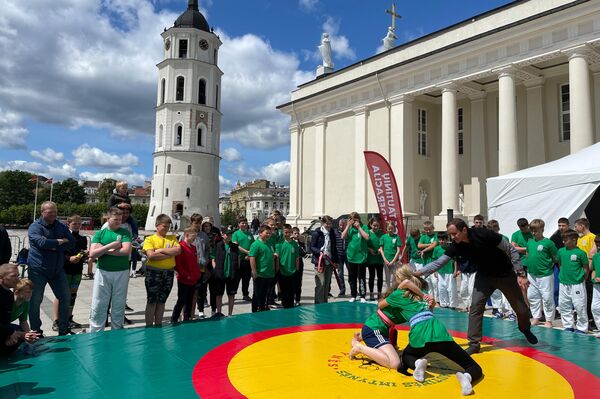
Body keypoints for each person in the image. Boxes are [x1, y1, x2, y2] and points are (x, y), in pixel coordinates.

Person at [349, 265, 482, 395]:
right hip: (381, 328)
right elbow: (385, 306)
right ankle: (359, 347)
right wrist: (426, 297)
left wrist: (429, 300)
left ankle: (416, 363)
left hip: (397, 332)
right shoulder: (409, 296)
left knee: (406, 356)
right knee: (395, 362)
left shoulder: (411, 297)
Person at [416, 218, 538, 355]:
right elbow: (439, 263)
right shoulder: (457, 245)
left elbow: (511, 249)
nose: (452, 237)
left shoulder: (484, 234)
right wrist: (418, 273)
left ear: (464, 230)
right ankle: (474, 343)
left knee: (521, 309)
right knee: (475, 307)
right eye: (450, 234)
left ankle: (525, 328)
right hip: (484, 277)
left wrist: (520, 274)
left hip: (505, 274)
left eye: (454, 233)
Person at [27, 201, 75, 336]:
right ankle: (36, 330)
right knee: (35, 301)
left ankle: (63, 329)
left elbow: (71, 242)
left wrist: (52, 245)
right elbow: (40, 242)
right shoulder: (35, 227)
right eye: (50, 212)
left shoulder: (60, 226)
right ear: (42, 212)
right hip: (38, 270)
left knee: (65, 298)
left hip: (57, 270)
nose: (53, 214)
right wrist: (59, 242)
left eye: (55, 211)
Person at [88, 207, 132, 332]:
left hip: (121, 271)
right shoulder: (100, 233)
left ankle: (117, 329)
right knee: (99, 302)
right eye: (115, 219)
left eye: (120, 219)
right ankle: (96, 330)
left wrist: (103, 250)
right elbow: (92, 254)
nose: (118, 221)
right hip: (103, 271)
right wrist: (111, 246)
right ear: (108, 219)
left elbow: (126, 251)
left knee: (119, 302)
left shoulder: (125, 233)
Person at [142, 214, 181, 327]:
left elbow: (178, 251)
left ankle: (158, 324)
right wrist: (169, 254)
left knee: (162, 300)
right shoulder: (150, 239)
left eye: (168, 227)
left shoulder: (172, 238)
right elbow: (151, 256)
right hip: (154, 272)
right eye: (164, 226)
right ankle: (149, 326)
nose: (166, 229)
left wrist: (161, 250)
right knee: (152, 301)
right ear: (157, 225)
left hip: (168, 272)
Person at [52, 214, 88, 331]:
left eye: (79, 224)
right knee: (61, 295)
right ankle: (57, 320)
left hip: (77, 270)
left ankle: (69, 318)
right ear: (68, 224)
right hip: (64, 269)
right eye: (74, 224)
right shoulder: (64, 236)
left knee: (73, 295)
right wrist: (69, 258)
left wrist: (84, 255)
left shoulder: (83, 239)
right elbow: (60, 252)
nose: (77, 226)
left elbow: (82, 252)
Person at [1, 264, 39, 356]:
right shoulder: (10, 298)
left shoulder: (10, 296)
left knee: (15, 341)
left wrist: (27, 334)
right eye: (13, 276)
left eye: (18, 275)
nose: (17, 279)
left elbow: (22, 321)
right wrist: (16, 334)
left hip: (4, 327)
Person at [525, 219, 557, 327]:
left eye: (536, 231)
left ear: (542, 230)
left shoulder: (548, 243)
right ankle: (536, 318)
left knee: (547, 297)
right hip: (532, 274)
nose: (534, 233)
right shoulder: (530, 242)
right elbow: (527, 254)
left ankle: (549, 320)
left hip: (545, 274)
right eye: (532, 231)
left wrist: (548, 266)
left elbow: (555, 258)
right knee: (533, 296)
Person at [557, 229, 589, 333]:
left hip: (577, 283)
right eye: (563, 239)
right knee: (564, 305)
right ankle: (568, 325)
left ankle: (582, 328)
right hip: (563, 283)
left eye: (566, 239)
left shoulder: (581, 253)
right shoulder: (561, 251)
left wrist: (581, 279)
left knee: (580, 306)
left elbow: (585, 268)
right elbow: (560, 264)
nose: (563, 241)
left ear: (574, 239)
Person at [171, 227, 200, 323]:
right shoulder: (181, 246)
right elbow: (178, 265)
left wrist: (197, 274)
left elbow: (195, 263)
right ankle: (174, 320)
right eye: (193, 236)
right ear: (187, 235)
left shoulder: (193, 247)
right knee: (181, 300)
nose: (194, 238)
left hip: (192, 279)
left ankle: (187, 320)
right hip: (184, 279)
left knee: (190, 301)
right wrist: (186, 275)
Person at [341, 212, 370, 303]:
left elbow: (367, 237)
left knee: (361, 277)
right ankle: (353, 294)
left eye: (355, 220)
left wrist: (359, 227)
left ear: (358, 219)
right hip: (351, 257)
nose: (354, 222)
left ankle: (362, 295)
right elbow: (343, 236)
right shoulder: (350, 228)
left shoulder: (364, 227)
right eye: (352, 220)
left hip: (361, 257)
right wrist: (348, 225)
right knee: (352, 277)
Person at [212, 228, 241, 316]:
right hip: (220, 274)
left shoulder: (235, 246)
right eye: (227, 234)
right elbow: (213, 258)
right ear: (222, 235)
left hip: (231, 274)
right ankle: (219, 312)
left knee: (231, 295)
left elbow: (238, 259)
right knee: (219, 294)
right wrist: (215, 269)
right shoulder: (218, 245)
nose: (229, 236)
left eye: (230, 235)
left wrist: (236, 271)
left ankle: (230, 313)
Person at [310, 216, 338, 304]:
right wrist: (320, 252)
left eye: (330, 223)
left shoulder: (332, 232)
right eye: (327, 224)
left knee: (326, 284)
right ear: (323, 223)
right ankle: (318, 303)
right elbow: (312, 247)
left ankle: (324, 302)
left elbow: (334, 247)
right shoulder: (317, 233)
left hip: (329, 261)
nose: (329, 225)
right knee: (320, 284)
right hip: (320, 261)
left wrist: (336, 261)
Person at [249, 225, 276, 312]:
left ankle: (263, 309)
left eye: (269, 233)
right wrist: (254, 271)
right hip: (260, 274)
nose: (268, 235)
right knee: (257, 294)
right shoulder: (256, 244)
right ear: (260, 233)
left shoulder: (269, 243)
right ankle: (256, 311)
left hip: (269, 273)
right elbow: (252, 257)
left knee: (266, 294)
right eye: (266, 233)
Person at [189, 214, 210, 318]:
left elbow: (207, 250)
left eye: (199, 223)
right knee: (189, 291)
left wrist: (205, 260)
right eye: (196, 223)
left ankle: (200, 310)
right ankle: (188, 311)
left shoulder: (203, 235)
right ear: (191, 222)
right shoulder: (186, 234)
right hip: (190, 267)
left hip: (201, 266)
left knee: (201, 290)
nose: (198, 225)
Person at [275, 224, 299, 309]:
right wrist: (277, 269)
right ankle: (285, 305)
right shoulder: (279, 244)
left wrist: (297, 269)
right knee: (284, 290)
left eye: (289, 232)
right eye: (285, 232)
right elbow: (278, 258)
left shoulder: (294, 244)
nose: (287, 234)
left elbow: (297, 257)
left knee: (291, 291)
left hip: (292, 270)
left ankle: (291, 305)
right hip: (282, 270)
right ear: (283, 232)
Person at [231, 217, 254, 302]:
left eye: (245, 223)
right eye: (242, 223)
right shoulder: (235, 234)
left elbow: (253, 245)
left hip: (247, 259)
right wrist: (246, 252)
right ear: (239, 224)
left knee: (246, 278)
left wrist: (250, 254)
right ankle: (233, 294)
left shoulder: (250, 234)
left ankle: (245, 294)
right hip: (239, 259)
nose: (244, 225)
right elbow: (236, 245)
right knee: (236, 278)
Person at [434, 232, 458, 309]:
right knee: (441, 289)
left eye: (443, 240)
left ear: (446, 240)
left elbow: (455, 260)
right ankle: (444, 304)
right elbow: (435, 261)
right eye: (440, 240)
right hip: (440, 272)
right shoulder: (436, 249)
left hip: (450, 272)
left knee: (451, 289)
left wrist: (455, 271)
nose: (441, 241)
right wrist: (435, 271)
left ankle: (452, 305)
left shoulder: (451, 248)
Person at [378, 220, 402, 289]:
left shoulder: (397, 237)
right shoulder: (383, 237)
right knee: (387, 278)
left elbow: (398, 250)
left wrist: (393, 261)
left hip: (394, 261)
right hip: (386, 261)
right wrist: (385, 260)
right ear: (386, 228)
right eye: (389, 228)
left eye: (392, 228)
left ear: (394, 228)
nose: (390, 230)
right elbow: (381, 250)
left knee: (394, 278)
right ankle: (387, 292)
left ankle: (394, 292)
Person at [418, 221, 439, 301]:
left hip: (434, 262)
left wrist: (424, 251)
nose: (428, 231)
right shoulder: (423, 236)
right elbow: (419, 245)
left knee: (435, 282)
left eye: (430, 229)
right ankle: (429, 298)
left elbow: (434, 245)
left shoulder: (436, 236)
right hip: (426, 263)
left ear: (433, 228)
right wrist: (429, 245)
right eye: (426, 230)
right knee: (427, 282)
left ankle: (436, 299)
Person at [366, 217, 384, 301]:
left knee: (380, 276)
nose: (376, 227)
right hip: (371, 259)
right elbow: (363, 244)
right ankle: (372, 293)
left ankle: (380, 293)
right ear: (370, 225)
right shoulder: (368, 233)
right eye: (374, 225)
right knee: (371, 276)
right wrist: (369, 250)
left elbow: (384, 244)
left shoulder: (382, 233)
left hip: (379, 259)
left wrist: (381, 250)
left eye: (377, 225)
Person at [291, 227, 306, 306]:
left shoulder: (300, 242)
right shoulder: (289, 242)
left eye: (298, 233)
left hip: (299, 262)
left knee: (298, 282)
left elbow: (304, 253)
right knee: (291, 281)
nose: (296, 235)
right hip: (291, 262)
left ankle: (297, 299)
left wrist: (299, 243)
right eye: (295, 233)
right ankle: (291, 298)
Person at [334, 218, 347, 296]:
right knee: (340, 273)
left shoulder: (348, 231)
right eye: (340, 225)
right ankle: (342, 289)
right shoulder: (336, 232)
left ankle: (354, 289)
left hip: (348, 254)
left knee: (352, 273)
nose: (341, 226)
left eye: (343, 225)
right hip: (339, 255)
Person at [591, 236, 600, 338]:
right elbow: (593, 269)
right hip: (596, 286)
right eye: (597, 244)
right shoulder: (596, 256)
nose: (598, 246)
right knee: (595, 307)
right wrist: (593, 278)